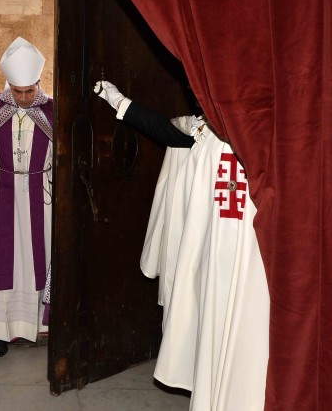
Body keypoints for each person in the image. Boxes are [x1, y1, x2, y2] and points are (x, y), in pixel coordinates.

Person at [95, 81, 270, 410]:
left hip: (252, 256)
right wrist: (118, 101)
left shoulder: (265, 134)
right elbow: (164, 129)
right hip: (209, 251)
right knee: (208, 320)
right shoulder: (204, 131)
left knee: (247, 333)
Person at [0, 37, 53, 358]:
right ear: (8, 85)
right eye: (18, 92)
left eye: (30, 91)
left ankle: (39, 325)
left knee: (38, 259)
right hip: (1, 195)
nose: (25, 98)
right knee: (1, 263)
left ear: (38, 84)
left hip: (41, 198)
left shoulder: (52, 111)